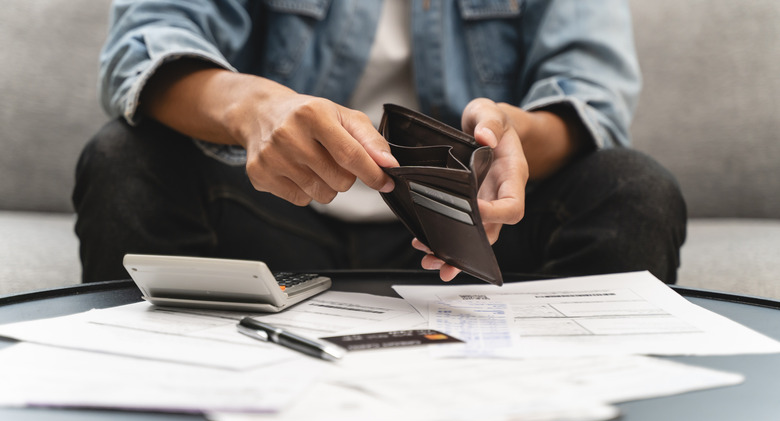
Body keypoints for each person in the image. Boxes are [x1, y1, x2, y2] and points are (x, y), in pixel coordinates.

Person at [73, 0, 686, 285]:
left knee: (633, 189)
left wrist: (512, 135)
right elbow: (147, 40)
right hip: (270, 211)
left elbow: (589, 93)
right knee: (126, 161)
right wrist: (255, 107)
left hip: (474, 232)